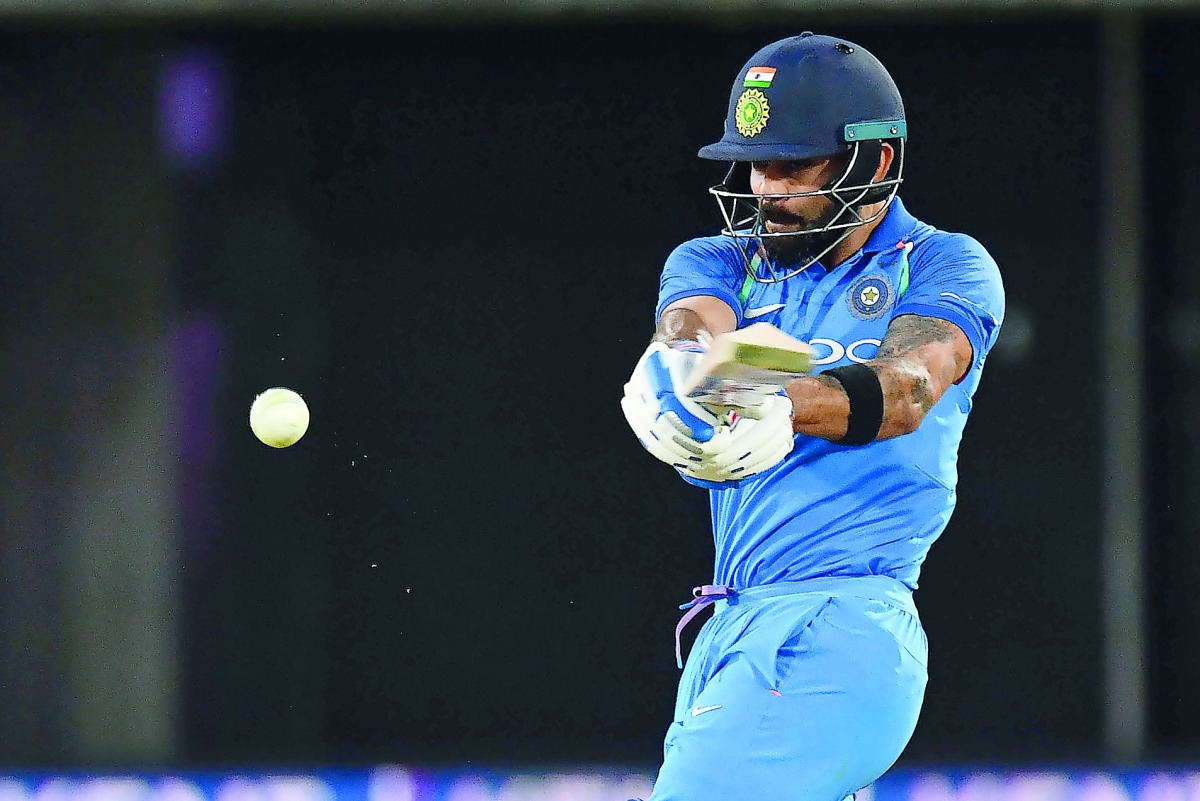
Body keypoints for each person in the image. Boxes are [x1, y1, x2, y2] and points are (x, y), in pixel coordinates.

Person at [619, 32, 1005, 801]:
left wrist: (780, 400)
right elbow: (697, 337)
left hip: (842, 622)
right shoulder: (720, 259)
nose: (766, 187)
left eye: (793, 166)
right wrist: (675, 374)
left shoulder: (941, 265)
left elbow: (908, 388)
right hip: (731, 629)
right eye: (758, 164)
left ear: (876, 164)